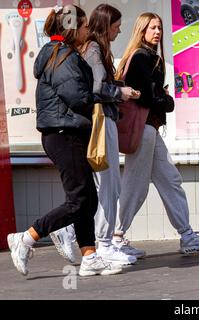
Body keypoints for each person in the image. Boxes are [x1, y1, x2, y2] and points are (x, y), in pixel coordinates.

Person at [7, 5, 121, 277]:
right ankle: (26, 238)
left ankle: (90, 256)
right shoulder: (64, 57)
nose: (86, 30)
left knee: (87, 198)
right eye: (82, 26)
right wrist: (106, 96)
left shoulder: (60, 54)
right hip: (63, 134)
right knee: (80, 200)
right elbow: (78, 97)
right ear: (72, 28)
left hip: (66, 133)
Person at [113, 12, 199, 255]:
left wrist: (161, 98)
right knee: (135, 186)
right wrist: (167, 100)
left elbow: (151, 94)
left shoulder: (151, 58)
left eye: (159, 27)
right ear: (141, 31)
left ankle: (187, 235)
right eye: (152, 28)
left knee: (171, 180)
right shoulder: (141, 57)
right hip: (143, 129)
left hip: (150, 130)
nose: (157, 32)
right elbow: (148, 97)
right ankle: (115, 237)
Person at [49, 4, 140, 266]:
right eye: (116, 25)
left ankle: (100, 240)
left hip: (101, 120)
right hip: (101, 121)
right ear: (105, 24)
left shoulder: (93, 49)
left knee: (107, 185)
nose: (119, 30)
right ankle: (102, 243)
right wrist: (120, 93)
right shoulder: (94, 49)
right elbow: (97, 88)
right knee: (108, 184)